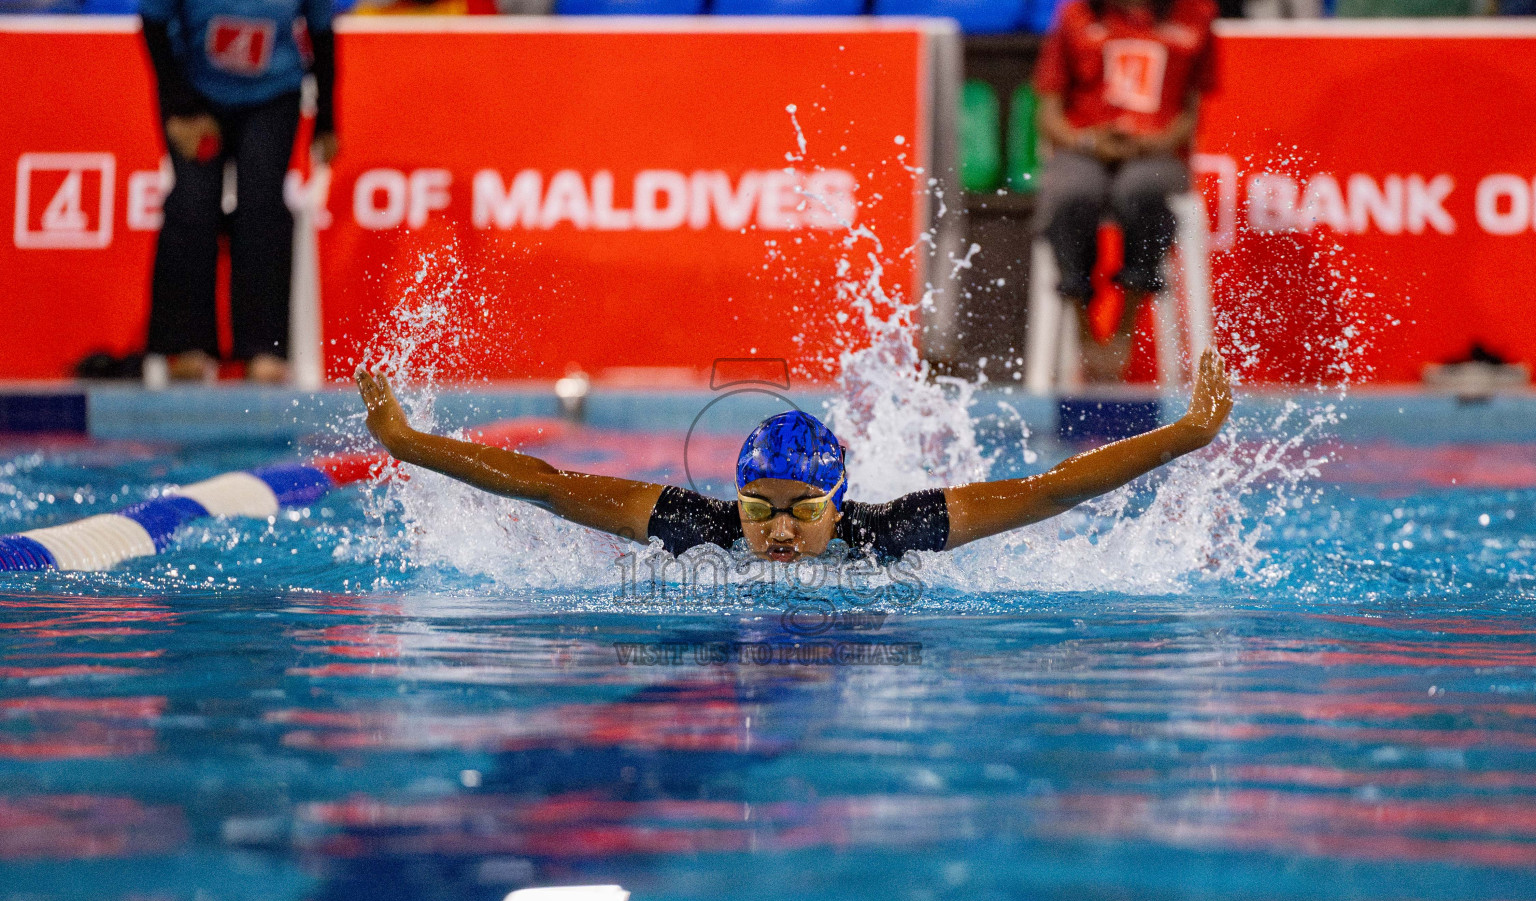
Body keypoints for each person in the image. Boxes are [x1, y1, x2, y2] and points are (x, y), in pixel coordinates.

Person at [352, 347, 1233, 563]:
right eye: (759, 509)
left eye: (802, 512)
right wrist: (404, 443)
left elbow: (1050, 491)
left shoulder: (888, 534)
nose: (776, 531)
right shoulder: (694, 528)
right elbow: (544, 486)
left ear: (838, 505)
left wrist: (1185, 434)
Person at [139, 0, 338, 384]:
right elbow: (153, 25)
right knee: (192, 203)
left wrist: (327, 120)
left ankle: (264, 348)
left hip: (273, 97)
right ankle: (185, 344)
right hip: (195, 96)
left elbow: (322, 34)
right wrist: (180, 108)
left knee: (262, 208)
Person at [1033, 0, 1217, 383]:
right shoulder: (1075, 15)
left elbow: (1192, 113)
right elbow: (1048, 113)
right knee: (1072, 194)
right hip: (1084, 145)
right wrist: (1086, 142)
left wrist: (1155, 142)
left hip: (1158, 150)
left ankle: (1126, 321)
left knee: (1143, 189)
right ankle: (1083, 320)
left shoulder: (1195, 15)